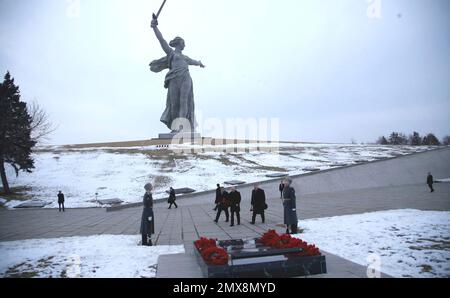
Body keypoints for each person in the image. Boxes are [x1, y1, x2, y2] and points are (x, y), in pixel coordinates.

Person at [150, 16, 205, 133]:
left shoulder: (185, 58)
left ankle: (182, 127)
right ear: (179, 43)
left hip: (185, 78)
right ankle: (175, 127)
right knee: (174, 103)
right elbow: (162, 40)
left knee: (184, 101)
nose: (185, 45)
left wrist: (199, 63)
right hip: (174, 79)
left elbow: (194, 62)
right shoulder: (171, 53)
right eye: (183, 43)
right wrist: (155, 27)